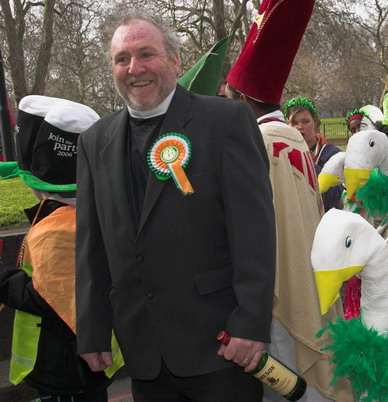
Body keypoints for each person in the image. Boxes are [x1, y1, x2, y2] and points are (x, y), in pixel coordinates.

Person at [75, 10, 276, 401]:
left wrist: (251, 325)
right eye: (122, 59)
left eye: (146, 54)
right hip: (145, 354)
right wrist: (93, 329)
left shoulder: (226, 120)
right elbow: (92, 247)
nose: (135, 68)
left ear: (175, 59)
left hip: (221, 347)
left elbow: (254, 233)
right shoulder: (94, 141)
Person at [225, 1, 352, 400]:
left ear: (242, 100)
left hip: (281, 285)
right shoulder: (291, 136)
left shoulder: (262, 141)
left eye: (230, 98)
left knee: (287, 374)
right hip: (305, 269)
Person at [0, 96, 120, 401]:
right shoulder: (90, 212)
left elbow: (44, 297)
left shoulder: (59, 227)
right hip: (85, 363)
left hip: (66, 368)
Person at [284, 96, 343, 211]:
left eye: (305, 121)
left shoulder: (332, 154)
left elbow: (333, 198)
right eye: (294, 123)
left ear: (314, 122)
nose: (300, 127)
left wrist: (306, 158)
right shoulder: (283, 154)